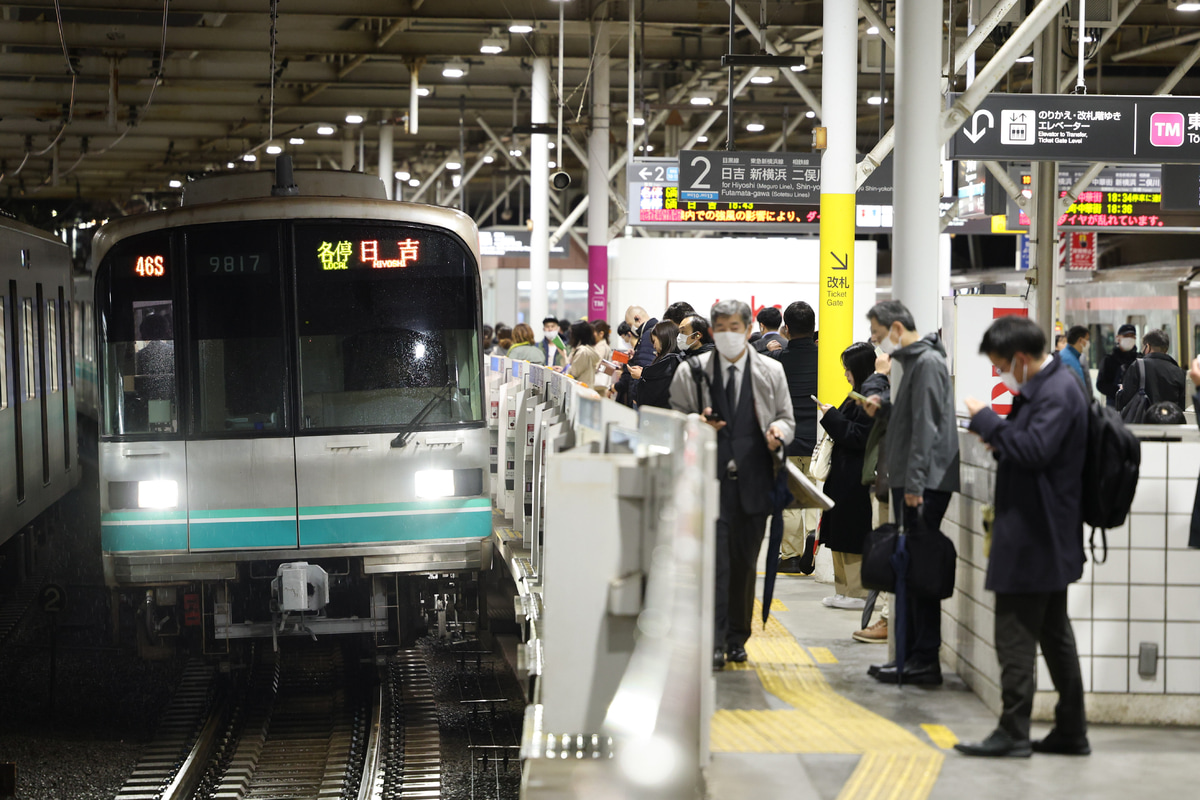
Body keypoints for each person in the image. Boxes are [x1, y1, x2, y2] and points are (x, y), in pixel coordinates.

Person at [956, 315, 1089, 759]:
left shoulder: (1056, 390)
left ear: (1020, 358)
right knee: (1054, 635)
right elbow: (1034, 445)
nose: (1000, 373)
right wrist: (1004, 436)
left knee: (1014, 635)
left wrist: (988, 422)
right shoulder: (1053, 386)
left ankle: (1013, 731)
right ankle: (1071, 730)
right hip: (1045, 532)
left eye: (1000, 365)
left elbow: (1033, 451)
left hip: (1035, 535)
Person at [669, 299, 795, 670]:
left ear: (747, 328)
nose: (727, 334)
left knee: (744, 563)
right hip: (708, 483)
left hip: (755, 482)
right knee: (714, 564)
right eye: (720, 328)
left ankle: (738, 637)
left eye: (734, 328)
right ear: (711, 331)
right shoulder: (691, 373)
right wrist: (695, 422)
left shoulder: (770, 372)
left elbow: (788, 418)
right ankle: (714, 639)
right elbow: (671, 421)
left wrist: (779, 432)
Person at [862, 300, 961, 686]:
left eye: (878, 335)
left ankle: (924, 659)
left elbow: (927, 430)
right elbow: (913, 419)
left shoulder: (928, 364)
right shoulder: (917, 364)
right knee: (912, 570)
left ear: (897, 328)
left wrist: (916, 484)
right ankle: (912, 656)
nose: (878, 344)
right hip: (917, 480)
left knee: (919, 573)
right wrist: (883, 410)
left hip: (925, 484)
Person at [813, 343, 877, 611]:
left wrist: (831, 417)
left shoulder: (870, 397)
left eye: (848, 369)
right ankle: (843, 590)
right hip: (843, 475)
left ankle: (856, 592)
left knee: (851, 533)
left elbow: (859, 436)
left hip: (856, 476)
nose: (845, 374)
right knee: (838, 531)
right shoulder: (857, 394)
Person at [770, 301, 819, 574]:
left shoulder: (777, 361)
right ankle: (814, 550)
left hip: (788, 439)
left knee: (789, 502)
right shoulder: (825, 360)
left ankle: (790, 556)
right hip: (817, 440)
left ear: (786, 329)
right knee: (815, 496)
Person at [1116, 329, 1186, 414]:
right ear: (1166, 349)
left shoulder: (1138, 366)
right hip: (1169, 423)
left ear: (1148, 347)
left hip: (1144, 422)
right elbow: (1182, 405)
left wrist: (1121, 391)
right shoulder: (1179, 372)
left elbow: (1124, 400)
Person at [615, 305, 658, 407]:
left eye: (630, 324)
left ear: (637, 318)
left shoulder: (648, 335)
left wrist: (635, 396)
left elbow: (645, 367)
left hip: (642, 398)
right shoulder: (648, 333)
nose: (630, 329)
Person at [633, 320, 684, 408]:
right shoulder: (677, 358)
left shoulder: (669, 361)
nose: (654, 346)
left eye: (654, 341)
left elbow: (652, 392)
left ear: (663, 338)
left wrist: (642, 375)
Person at [1096, 324, 1139, 407]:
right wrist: (1118, 391)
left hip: (1135, 405)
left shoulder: (1139, 359)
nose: (1129, 339)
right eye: (1126, 336)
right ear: (1118, 338)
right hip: (1114, 404)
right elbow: (1101, 384)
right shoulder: (1109, 360)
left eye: (1132, 336)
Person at [1058, 325, 1093, 399]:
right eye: (1086, 340)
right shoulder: (1067, 359)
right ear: (1080, 340)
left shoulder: (1075, 357)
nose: (1088, 344)